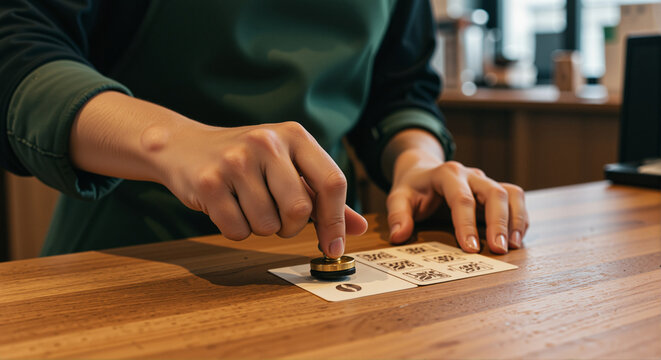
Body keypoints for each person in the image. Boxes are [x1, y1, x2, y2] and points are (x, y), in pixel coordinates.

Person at [0, 0, 528, 258]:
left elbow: (399, 88)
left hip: (325, 250)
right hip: (134, 261)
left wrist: (419, 162)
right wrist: (172, 142)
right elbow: (18, 46)